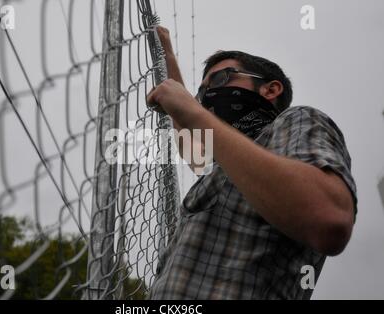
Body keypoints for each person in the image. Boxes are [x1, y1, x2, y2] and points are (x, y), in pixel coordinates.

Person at [146, 27, 358, 300]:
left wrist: (195, 113)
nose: (208, 95)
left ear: (270, 89)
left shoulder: (297, 121)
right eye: (202, 92)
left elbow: (329, 219)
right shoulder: (225, 164)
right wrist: (168, 56)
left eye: (220, 79)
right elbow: (191, 143)